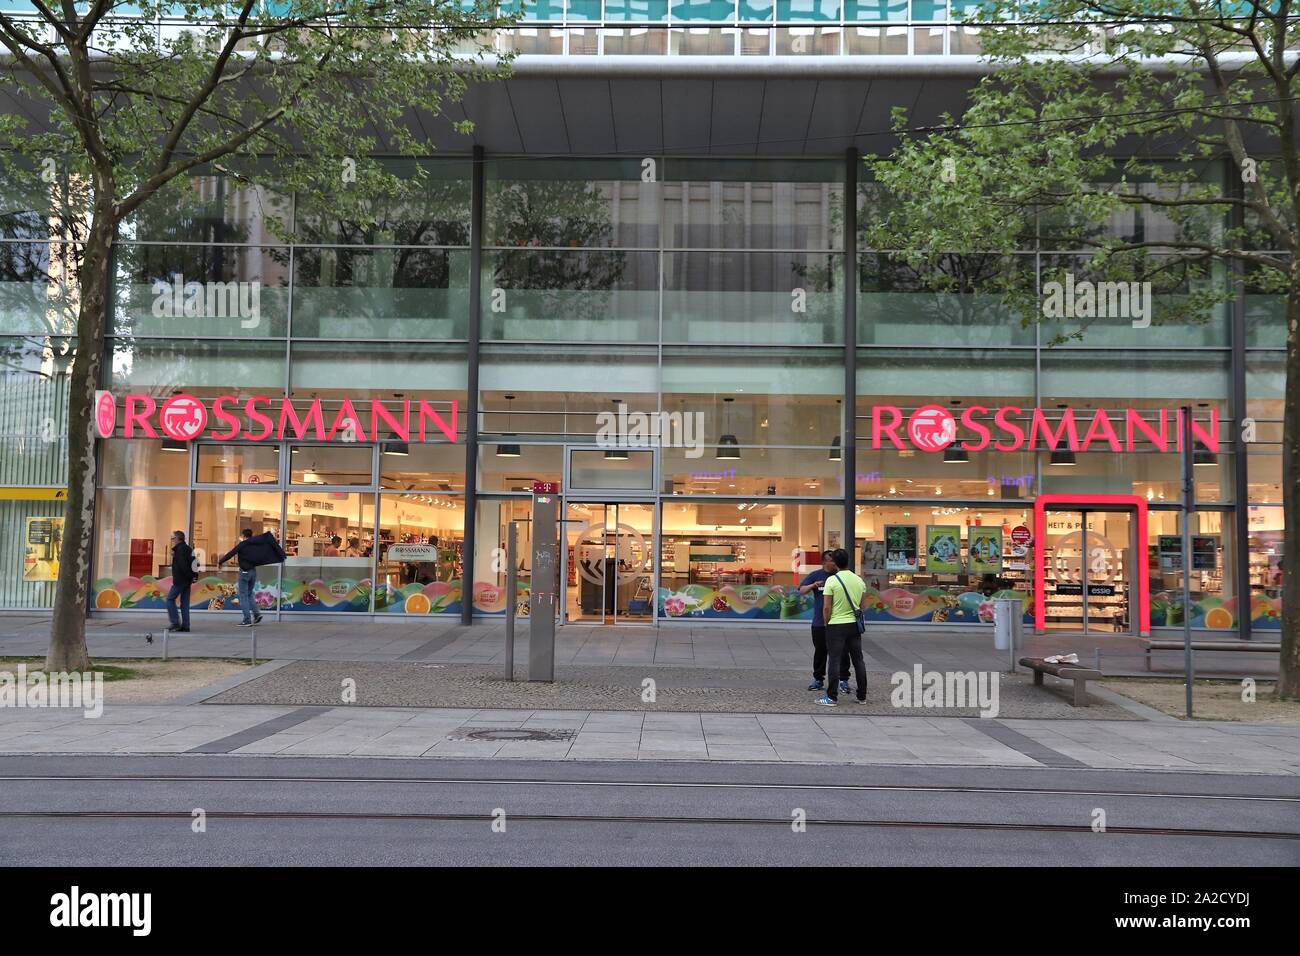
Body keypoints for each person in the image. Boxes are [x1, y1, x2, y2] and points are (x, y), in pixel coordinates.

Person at [816, 548, 870, 706]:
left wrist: (827, 622)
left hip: (836, 625)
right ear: (848, 561)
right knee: (858, 659)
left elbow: (826, 607)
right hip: (853, 625)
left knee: (834, 660)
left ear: (835, 563)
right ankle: (862, 696)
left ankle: (831, 697)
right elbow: (863, 605)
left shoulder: (832, 581)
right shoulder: (859, 580)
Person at [799, 551, 850, 694]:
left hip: (839, 621)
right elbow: (801, 590)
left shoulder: (840, 575)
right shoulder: (816, 575)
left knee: (842, 652)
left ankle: (843, 680)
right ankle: (818, 679)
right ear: (824, 562)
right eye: (831, 560)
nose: (834, 563)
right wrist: (813, 586)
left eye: (835, 560)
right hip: (820, 622)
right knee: (820, 651)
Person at [218, 528, 263, 627]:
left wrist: (221, 561)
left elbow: (231, 553)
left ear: (243, 536)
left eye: (241, 536)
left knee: (243, 596)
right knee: (249, 593)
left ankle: (247, 620)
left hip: (245, 572)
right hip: (253, 572)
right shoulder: (255, 545)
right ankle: (257, 614)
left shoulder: (243, 544)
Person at [165, 530, 195, 633]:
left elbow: (183, 566)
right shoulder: (189, 549)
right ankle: (186, 625)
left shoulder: (179, 550)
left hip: (180, 580)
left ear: (178, 539)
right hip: (187, 580)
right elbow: (195, 563)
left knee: (170, 599)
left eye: (173, 538)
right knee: (185, 604)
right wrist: (193, 576)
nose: (172, 540)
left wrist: (187, 576)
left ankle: (175, 623)